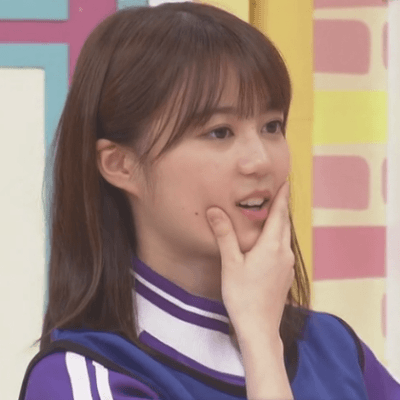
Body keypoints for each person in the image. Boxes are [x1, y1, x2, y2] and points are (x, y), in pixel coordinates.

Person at [18, 2, 400, 399]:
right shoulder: (83, 377)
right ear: (121, 165)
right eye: (220, 132)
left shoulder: (335, 349)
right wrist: (260, 342)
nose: (260, 161)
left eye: (271, 126)